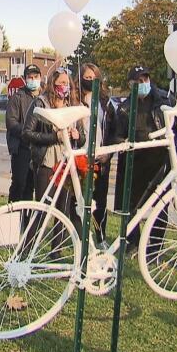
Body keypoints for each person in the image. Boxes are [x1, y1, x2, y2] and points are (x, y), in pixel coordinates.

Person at [103, 66, 171, 254]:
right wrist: (123, 141)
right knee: (131, 206)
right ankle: (133, 243)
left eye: (145, 80)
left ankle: (155, 248)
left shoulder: (164, 99)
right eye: (138, 81)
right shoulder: (124, 108)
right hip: (134, 162)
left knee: (160, 206)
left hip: (159, 161)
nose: (142, 84)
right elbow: (115, 135)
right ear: (130, 84)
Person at [22, 67, 85, 247]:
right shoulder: (40, 103)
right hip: (46, 161)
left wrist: (77, 136)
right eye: (61, 83)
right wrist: (53, 137)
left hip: (66, 163)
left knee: (63, 209)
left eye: (67, 83)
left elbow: (82, 138)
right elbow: (27, 133)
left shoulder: (73, 105)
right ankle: (27, 249)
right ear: (53, 84)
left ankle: (56, 251)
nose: (64, 87)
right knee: (42, 207)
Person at [78, 63, 111, 247]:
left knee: (100, 201)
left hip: (101, 157)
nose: (90, 81)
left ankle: (100, 237)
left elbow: (113, 130)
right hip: (81, 156)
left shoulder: (105, 102)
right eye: (87, 78)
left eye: (94, 78)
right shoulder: (75, 99)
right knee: (81, 201)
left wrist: (107, 154)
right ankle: (81, 238)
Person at [6, 64, 42, 202]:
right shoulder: (18, 97)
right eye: (30, 77)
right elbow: (11, 122)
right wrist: (28, 133)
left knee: (30, 187)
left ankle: (26, 220)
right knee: (19, 184)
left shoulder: (44, 97)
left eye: (35, 77)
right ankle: (12, 217)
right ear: (25, 79)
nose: (33, 80)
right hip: (22, 148)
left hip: (39, 148)